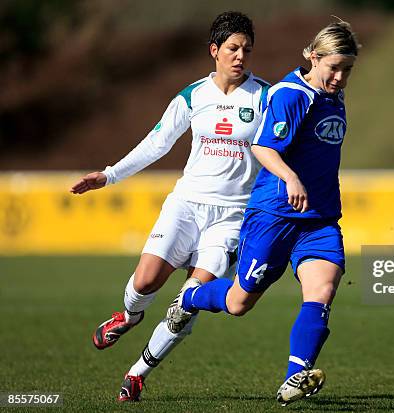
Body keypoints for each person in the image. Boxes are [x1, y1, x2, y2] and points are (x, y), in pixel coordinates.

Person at [69, 11, 269, 401]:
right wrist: (108, 175)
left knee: (188, 301)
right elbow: (156, 143)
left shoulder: (265, 96)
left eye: (246, 49)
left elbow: (283, 145)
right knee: (144, 282)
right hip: (186, 205)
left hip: (231, 218)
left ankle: (137, 373)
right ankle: (128, 316)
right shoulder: (192, 95)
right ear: (214, 50)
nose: (240, 55)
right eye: (232, 48)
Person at [166, 20, 360, 406]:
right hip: (274, 214)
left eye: (347, 69)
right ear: (313, 57)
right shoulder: (292, 94)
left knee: (322, 291)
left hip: (319, 219)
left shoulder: (333, 95)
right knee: (239, 302)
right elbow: (263, 147)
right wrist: (291, 178)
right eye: (334, 67)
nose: (340, 76)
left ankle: (294, 377)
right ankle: (189, 299)